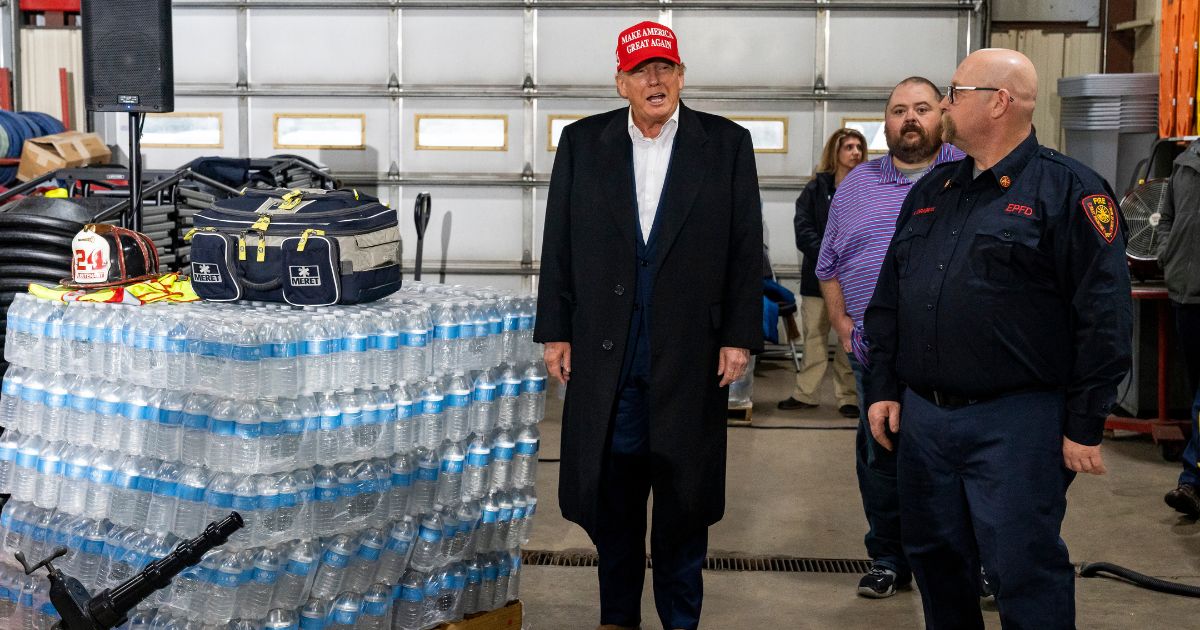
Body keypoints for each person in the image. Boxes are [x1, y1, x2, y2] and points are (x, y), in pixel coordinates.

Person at [864, 49, 1132, 629]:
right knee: (937, 563)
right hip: (926, 423)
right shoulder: (934, 189)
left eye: (954, 93)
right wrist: (884, 385)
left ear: (999, 102)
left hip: (1017, 423)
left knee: (1021, 568)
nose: (943, 105)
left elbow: (1104, 315)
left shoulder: (1070, 191)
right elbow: (890, 300)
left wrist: (1085, 423)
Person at [534, 20, 762, 630]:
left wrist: (740, 335)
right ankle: (617, 618)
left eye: (664, 67)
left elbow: (746, 248)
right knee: (614, 501)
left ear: (682, 76)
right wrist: (556, 330)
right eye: (641, 71)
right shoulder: (583, 143)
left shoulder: (727, 144)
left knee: (684, 503)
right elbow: (557, 242)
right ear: (621, 83)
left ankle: (679, 620)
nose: (654, 79)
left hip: (690, 356)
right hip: (607, 357)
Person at [815, 77, 964, 598]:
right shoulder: (857, 185)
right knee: (881, 457)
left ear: (942, 115)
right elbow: (827, 263)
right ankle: (888, 557)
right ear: (886, 122)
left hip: (950, 356)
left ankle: (970, 561)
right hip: (873, 353)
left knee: (955, 459)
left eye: (921, 108)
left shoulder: (967, 175)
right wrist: (841, 325)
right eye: (899, 110)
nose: (910, 119)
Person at [777, 128, 866, 418]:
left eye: (859, 147)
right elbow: (803, 231)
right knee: (814, 337)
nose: (855, 152)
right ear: (835, 152)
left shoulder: (869, 188)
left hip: (853, 282)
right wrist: (831, 259)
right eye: (849, 147)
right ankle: (806, 394)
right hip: (817, 280)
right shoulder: (814, 190)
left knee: (848, 340)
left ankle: (848, 397)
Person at [1158, 139, 1200, 518]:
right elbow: (1166, 216)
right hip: (1186, 294)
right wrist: (1168, 254)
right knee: (1195, 388)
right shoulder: (1185, 162)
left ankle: (1191, 481)